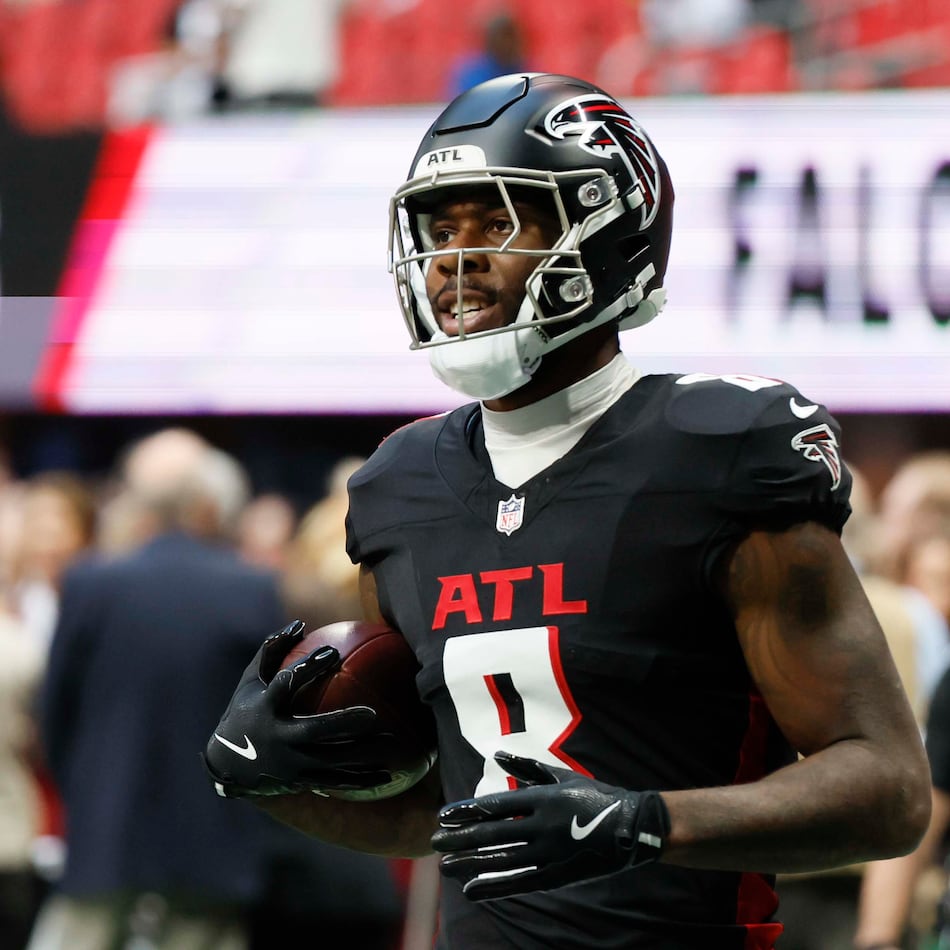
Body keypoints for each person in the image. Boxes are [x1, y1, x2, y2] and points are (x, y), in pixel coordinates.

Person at [204, 72, 931, 948]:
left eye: (500, 223)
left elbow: (889, 790)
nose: (455, 262)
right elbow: (451, 824)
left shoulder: (716, 450)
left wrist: (646, 824)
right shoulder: (401, 487)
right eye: (441, 230)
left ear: (608, 230)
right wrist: (283, 777)